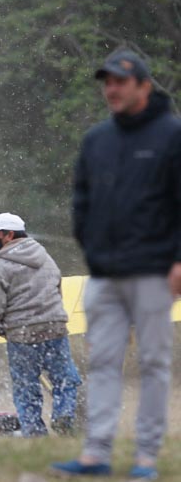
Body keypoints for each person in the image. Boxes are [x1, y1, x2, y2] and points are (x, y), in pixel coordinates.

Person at [52, 50, 181, 481]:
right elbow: (81, 202)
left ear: (144, 86)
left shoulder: (172, 135)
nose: (111, 89)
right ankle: (95, 453)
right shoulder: (96, 140)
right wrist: (91, 251)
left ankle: (146, 457)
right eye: (106, 81)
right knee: (103, 362)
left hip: (154, 272)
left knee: (154, 364)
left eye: (120, 81)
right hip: (104, 275)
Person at [0, 212, 80, 437]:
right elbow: (57, 288)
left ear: (9, 235)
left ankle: (34, 432)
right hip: (55, 327)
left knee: (26, 387)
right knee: (64, 378)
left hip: (22, 334)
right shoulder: (45, 256)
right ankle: (63, 414)